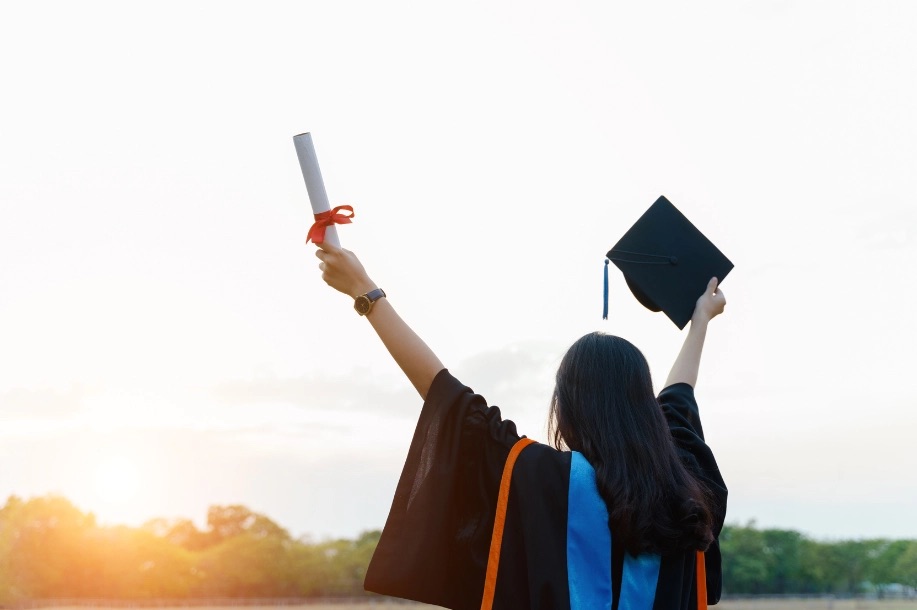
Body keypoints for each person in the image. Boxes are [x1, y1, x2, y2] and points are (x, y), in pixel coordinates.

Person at [314, 241, 728, 610]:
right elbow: (678, 403)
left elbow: (447, 396)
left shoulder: (537, 477)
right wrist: (700, 321)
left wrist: (365, 291)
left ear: (566, 408)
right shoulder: (688, 492)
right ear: (645, 407)